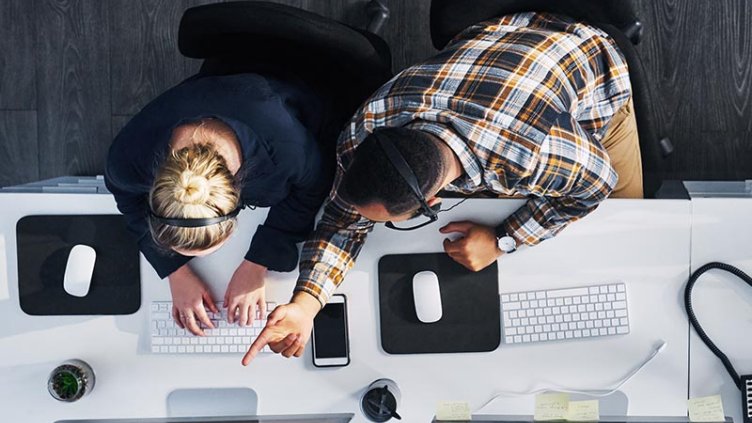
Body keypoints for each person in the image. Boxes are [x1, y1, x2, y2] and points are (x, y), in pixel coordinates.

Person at [242, 12, 641, 364]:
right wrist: (305, 306)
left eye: (388, 222)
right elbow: (342, 223)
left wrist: (503, 240)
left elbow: (595, 185)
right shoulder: (365, 128)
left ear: (432, 203)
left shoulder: (532, 156)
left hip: (589, 60)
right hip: (498, 35)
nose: (360, 223)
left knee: (623, 229)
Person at [105, 72, 336, 336]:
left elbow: (314, 186)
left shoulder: (286, 151)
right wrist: (175, 272)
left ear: (236, 203)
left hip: (305, 87)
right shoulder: (126, 160)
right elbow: (128, 200)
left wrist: (258, 261)